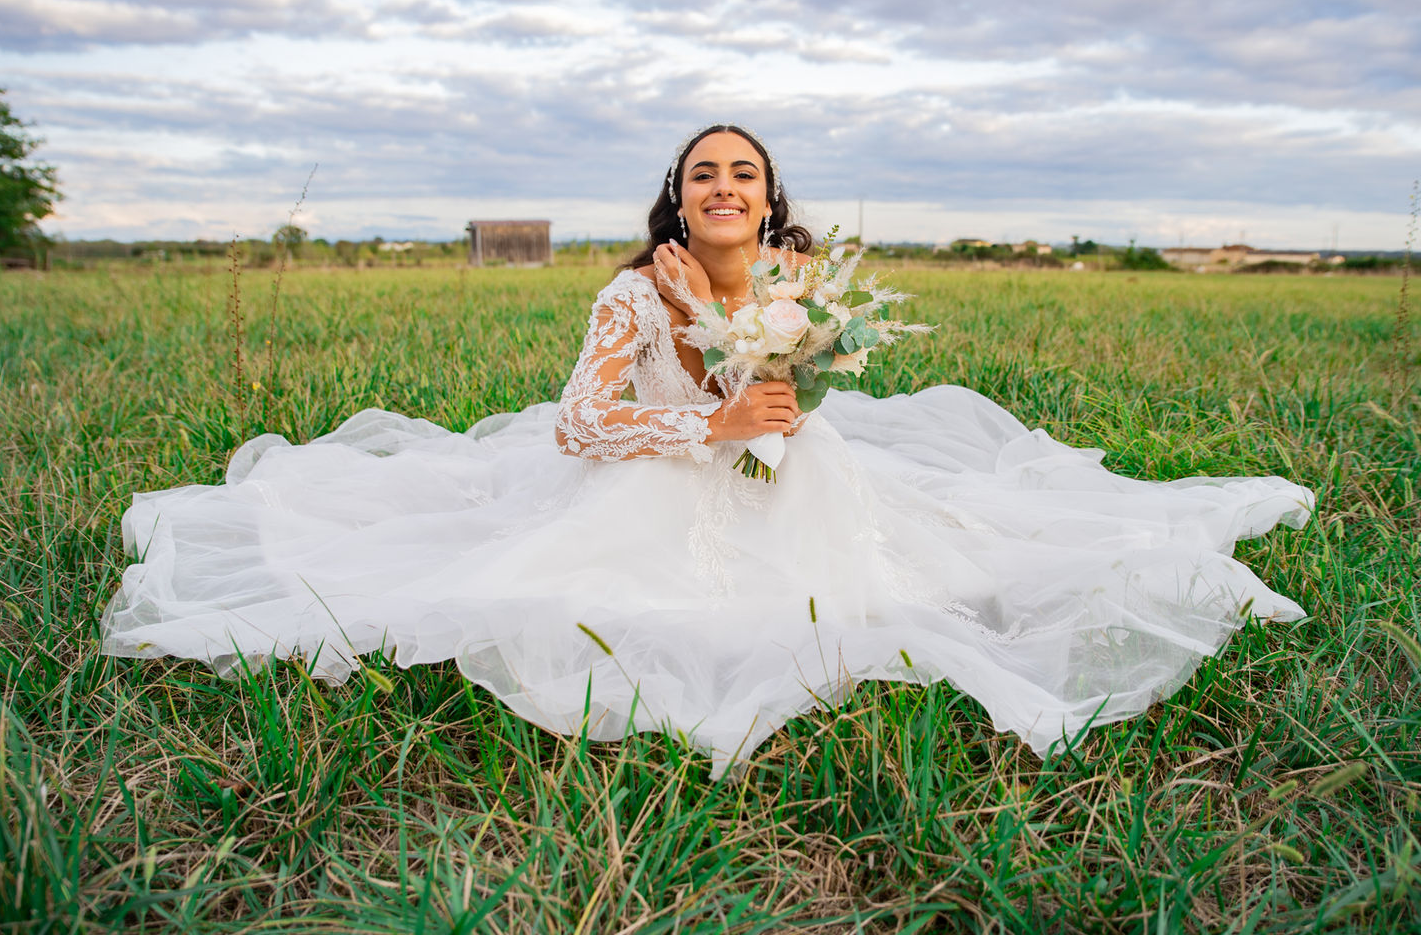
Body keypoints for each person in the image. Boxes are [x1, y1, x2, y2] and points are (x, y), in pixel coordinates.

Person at [102, 124, 1315, 780]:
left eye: (743, 171)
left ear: (769, 193)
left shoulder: (799, 280)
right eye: (702, 175)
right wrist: (706, 414)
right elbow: (580, 422)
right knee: (586, 587)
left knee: (954, 563)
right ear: (677, 203)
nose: (723, 187)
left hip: (801, 483)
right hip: (648, 482)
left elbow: (798, 398)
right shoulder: (634, 292)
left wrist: (766, 378)